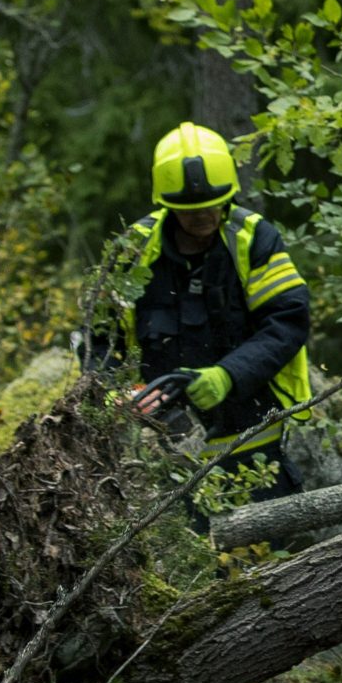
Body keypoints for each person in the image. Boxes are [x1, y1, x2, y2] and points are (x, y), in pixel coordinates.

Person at [109, 122, 314, 503]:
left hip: (250, 432)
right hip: (164, 443)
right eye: (189, 211)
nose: (202, 217)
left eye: (210, 208)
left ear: (229, 195)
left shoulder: (254, 240)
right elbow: (99, 337)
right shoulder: (133, 250)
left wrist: (228, 375)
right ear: (166, 203)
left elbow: (288, 323)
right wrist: (113, 394)